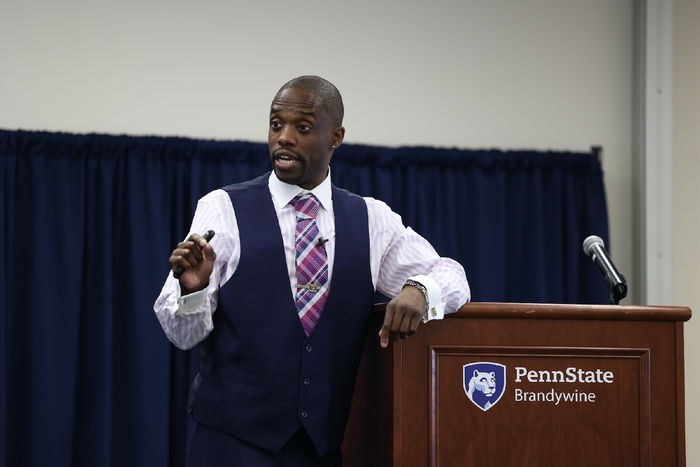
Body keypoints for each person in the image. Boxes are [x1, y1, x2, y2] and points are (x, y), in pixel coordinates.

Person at [153, 75, 470, 467]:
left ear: (335, 137)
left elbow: (453, 275)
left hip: (324, 446)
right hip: (231, 442)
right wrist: (193, 291)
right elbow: (183, 336)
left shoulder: (371, 219)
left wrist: (419, 290)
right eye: (275, 125)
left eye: (302, 127)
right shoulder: (222, 209)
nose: (284, 137)